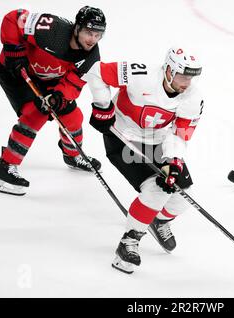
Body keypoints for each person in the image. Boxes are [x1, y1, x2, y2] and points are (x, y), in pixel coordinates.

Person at [82, 46, 204, 273]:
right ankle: (128, 242)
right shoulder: (141, 75)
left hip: (157, 141)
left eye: (191, 78)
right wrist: (103, 107)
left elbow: (180, 133)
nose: (187, 83)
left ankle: (158, 221)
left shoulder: (192, 97)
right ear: (168, 70)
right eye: (182, 76)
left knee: (182, 197)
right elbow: (97, 71)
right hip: (123, 138)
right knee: (156, 191)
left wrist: (173, 161)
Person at [0, 6, 106, 196]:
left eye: (98, 35)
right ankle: (5, 167)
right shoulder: (51, 29)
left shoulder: (91, 57)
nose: (92, 39)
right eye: (88, 32)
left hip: (49, 80)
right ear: (77, 28)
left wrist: (59, 97)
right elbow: (14, 18)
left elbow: (73, 83)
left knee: (73, 116)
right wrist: (13, 49)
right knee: (35, 114)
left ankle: (72, 155)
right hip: (15, 73)